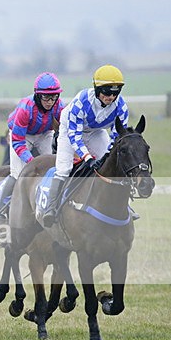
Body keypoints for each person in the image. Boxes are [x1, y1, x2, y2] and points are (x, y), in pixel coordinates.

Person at [41, 64, 129, 227]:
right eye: (107, 92)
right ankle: (50, 208)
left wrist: (107, 156)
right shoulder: (82, 101)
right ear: (96, 89)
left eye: (115, 93)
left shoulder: (121, 107)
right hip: (70, 131)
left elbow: (117, 137)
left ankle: (124, 206)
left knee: (111, 163)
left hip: (96, 132)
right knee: (63, 169)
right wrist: (87, 158)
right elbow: (75, 136)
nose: (110, 97)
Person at [0, 72, 64, 224]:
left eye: (54, 97)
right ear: (38, 95)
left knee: (52, 168)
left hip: (44, 133)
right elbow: (18, 142)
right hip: (22, 135)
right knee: (19, 173)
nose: (50, 101)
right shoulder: (25, 108)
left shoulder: (59, 106)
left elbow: (65, 129)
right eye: (46, 97)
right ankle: (2, 210)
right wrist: (31, 161)